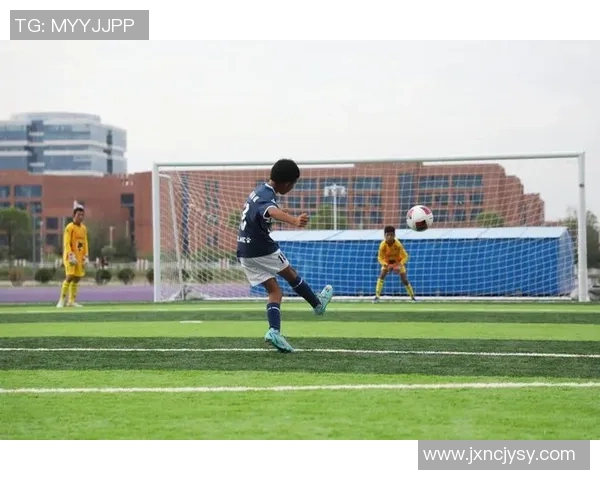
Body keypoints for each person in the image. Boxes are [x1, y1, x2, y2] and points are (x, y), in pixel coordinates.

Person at [236, 158, 333, 352]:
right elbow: (270, 211)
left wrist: (280, 213)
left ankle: (274, 332)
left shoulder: (259, 191)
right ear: (287, 183)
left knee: (275, 291)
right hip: (261, 248)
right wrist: (294, 220)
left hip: (244, 251)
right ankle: (317, 304)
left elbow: (262, 214)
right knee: (290, 273)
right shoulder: (267, 197)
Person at [57, 206, 89, 308]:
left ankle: (71, 301)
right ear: (74, 216)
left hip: (79, 257)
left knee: (77, 277)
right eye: (79, 215)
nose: (81, 217)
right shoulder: (69, 227)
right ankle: (61, 300)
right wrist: (70, 254)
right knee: (70, 276)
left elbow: (85, 243)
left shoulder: (83, 229)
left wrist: (86, 255)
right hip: (70, 256)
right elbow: (66, 243)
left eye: (82, 215)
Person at [374, 225, 416, 302]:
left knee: (404, 279)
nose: (389, 237)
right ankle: (377, 296)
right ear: (384, 236)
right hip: (387, 262)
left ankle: (412, 297)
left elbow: (405, 256)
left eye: (391, 235)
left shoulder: (398, 245)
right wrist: (386, 265)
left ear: (394, 235)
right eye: (387, 235)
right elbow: (380, 258)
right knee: (382, 275)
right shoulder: (382, 245)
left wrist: (400, 265)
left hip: (398, 262)